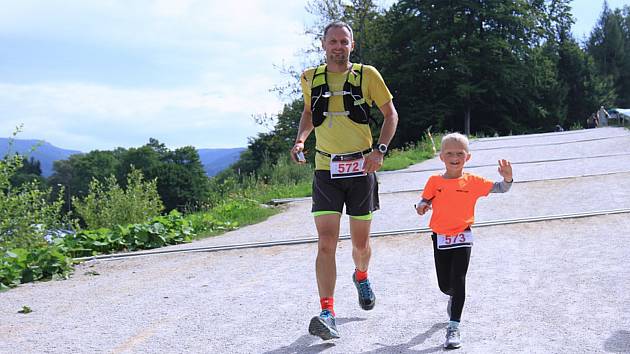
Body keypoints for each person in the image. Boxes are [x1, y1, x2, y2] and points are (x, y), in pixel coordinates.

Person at [290, 20, 398, 340]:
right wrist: (300, 141)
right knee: (326, 242)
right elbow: (310, 113)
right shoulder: (310, 78)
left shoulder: (368, 76)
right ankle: (327, 311)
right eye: (333, 41)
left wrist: (379, 150)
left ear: (352, 45)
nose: (338, 46)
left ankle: (361, 275)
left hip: (361, 168)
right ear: (323, 45)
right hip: (326, 169)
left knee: (360, 245)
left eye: (344, 42)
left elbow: (391, 114)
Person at [415, 133, 513, 349]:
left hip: (462, 236)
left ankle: (454, 326)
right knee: (445, 284)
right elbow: (424, 200)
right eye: (450, 153)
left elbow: (501, 188)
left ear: (467, 157)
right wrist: (421, 206)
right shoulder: (434, 181)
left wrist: (507, 178)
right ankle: (452, 297)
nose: (455, 157)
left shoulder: (473, 181)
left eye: (460, 153)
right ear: (441, 157)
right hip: (440, 237)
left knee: (459, 279)